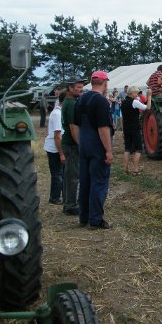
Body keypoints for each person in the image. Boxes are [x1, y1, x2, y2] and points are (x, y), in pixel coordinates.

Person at [74, 71, 115, 230]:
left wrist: (81, 144)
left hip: (84, 144)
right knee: (99, 182)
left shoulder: (80, 99)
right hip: (98, 146)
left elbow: (75, 125)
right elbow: (103, 128)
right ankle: (95, 220)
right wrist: (108, 151)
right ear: (105, 83)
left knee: (85, 182)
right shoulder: (101, 101)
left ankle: (83, 217)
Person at [61, 75, 85, 216]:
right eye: (78, 87)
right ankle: (71, 205)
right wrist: (80, 144)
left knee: (69, 174)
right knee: (73, 176)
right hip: (71, 144)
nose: (81, 89)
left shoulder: (70, 101)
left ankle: (67, 202)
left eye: (82, 87)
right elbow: (73, 127)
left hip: (70, 143)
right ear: (70, 88)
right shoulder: (71, 104)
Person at [121, 86, 152, 175]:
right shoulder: (134, 102)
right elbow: (148, 108)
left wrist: (123, 130)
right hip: (135, 128)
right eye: (136, 93)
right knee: (138, 149)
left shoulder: (123, 102)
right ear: (132, 93)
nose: (137, 95)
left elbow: (123, 117)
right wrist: (149, 96)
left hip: (126, 128)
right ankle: (135, 170)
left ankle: (125, 169)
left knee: (127, 149)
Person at [45, 90, 66, 206]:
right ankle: (54, 197)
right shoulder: (57, 114)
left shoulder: (59, 112)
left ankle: (59, 196)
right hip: (55, 148)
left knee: (60, 173)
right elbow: (57, 135)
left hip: (57, 147)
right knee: (57, 174)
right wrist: (61, 153)